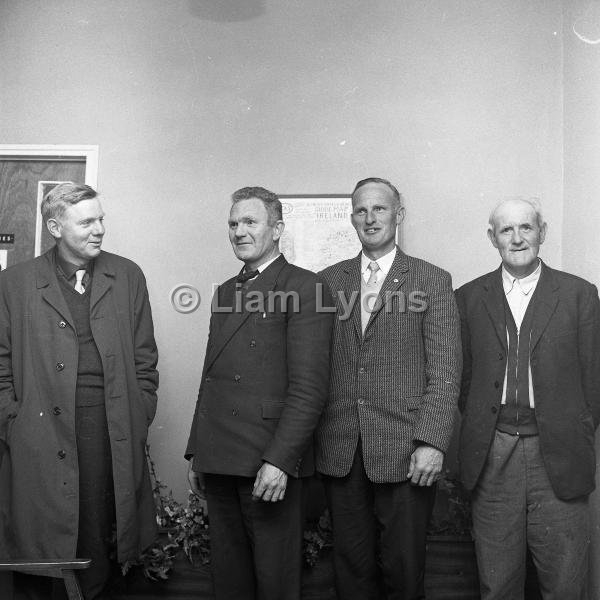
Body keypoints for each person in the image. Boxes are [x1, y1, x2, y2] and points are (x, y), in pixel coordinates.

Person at [0, 182, 159, 599]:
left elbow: (145, 360)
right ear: (54, 227)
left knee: (96, 534)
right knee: (39, 540)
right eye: (86, 221)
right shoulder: (14, 283)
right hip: (38, 431)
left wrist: (138, 413)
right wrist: (13, 421)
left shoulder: (127, 275)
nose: (99, 229)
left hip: (108, 428)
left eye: (101, 219)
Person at [316, 177, 462, 600]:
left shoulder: (431, 279)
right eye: (361, 210)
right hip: (342, 450)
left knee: (403, 570)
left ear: (399, 215)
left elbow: (446, 370)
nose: (370, 217)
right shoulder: (327, 281)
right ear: (351, 219)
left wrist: (431, 442)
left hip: (407, 453)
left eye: (379, 209)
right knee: (350, 572)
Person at [186, 186, 333, 600]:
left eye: (250, 222)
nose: (238, 231)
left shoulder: (307, 287)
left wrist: (280, 461)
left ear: (278, 229)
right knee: (229, 585)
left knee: (275, 585)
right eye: (233, 223)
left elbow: (310, 389)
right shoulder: (225, 291)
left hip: (267, 463)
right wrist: (198, 450)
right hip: (219, 458)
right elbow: (210, 376)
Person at [455, 198, 600, 600]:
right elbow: (464, 381)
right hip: (493, 451)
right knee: (497, 584)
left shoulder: (579, 294)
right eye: (506, 230)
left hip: (559, 454)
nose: (517, 239)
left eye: (526, 228)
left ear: (542, 233)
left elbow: (594, 381)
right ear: (492, 238)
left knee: (565, 583)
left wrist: (572, 429)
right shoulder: (468, 297)